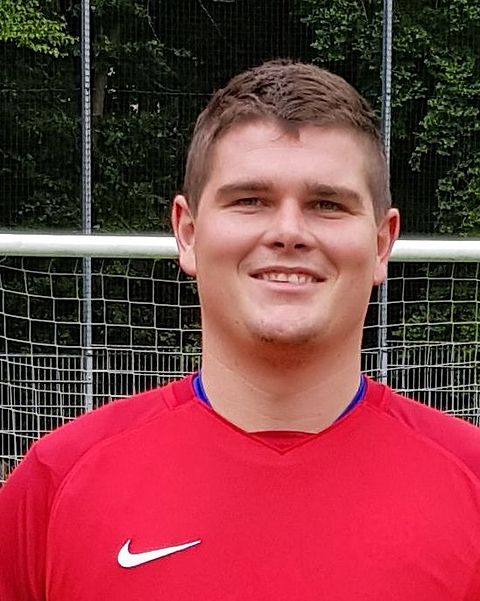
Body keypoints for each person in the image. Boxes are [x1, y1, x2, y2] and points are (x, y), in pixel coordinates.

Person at [1, 59, 480, 601]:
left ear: (381, 243)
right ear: (187, 232)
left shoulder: (470, 481)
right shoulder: (57, 483)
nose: (289, 232)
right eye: (250, 200)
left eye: (327, 204)